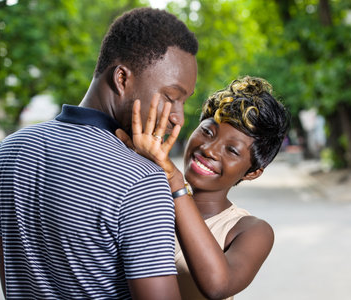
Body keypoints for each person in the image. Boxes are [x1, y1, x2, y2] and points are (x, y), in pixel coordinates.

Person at [0, 7, 198, 299]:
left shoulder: (10, 150)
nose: (178, 117)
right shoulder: (143, 180)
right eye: (171, 97)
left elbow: (13, 278)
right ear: (122, 79)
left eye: (184, 102)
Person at [117, 76, 290, 299]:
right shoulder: (149, 197)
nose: (210, 150)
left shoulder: (251, 231)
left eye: (232, 150)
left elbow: (219, 285)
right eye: (208, 132)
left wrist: (175, 180)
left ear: (252, 172)